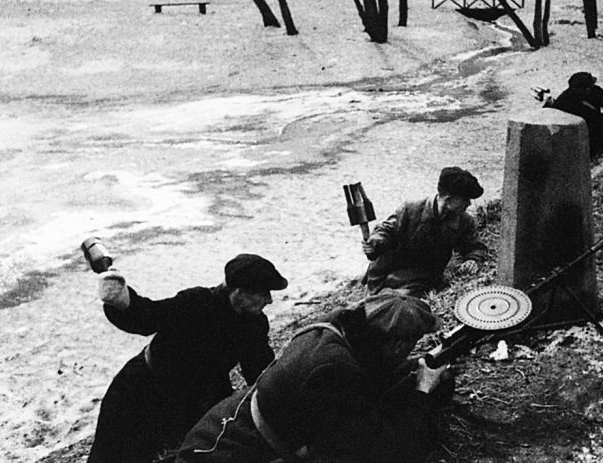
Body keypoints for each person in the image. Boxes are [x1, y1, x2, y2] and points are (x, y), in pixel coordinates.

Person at [176, 290, 452, 463]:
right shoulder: (334, 370)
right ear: (396, 345)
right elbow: (381, 451)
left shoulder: (337, 333)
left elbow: (371, 381)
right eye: (410, 346)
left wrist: (413, 369)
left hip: (230, 435)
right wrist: (423, 391)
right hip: (221, 453)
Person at [88, 253, 288, 463]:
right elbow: (145, 317)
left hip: (194, 400)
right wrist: (120, 299)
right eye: (263, 292)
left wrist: (280, 402)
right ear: (240, 292)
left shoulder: (254, 324)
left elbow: (261, 372)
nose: (269, 299)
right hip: (140, 391)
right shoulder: (196, 303)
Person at [361, 166, 489, 298]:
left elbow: (475, 246)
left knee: (396, 303)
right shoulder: (411, 210)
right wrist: (375, 242)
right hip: (386, 272)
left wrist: (472, 260)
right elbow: (386, 230)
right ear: (448, 199)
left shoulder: (463, 221)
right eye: (464, 199)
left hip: (419, 280)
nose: (468, 204)